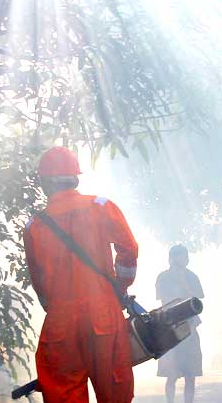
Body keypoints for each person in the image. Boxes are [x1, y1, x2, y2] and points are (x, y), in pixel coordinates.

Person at [23, 146, 139, 403]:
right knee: (115, 392)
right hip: (103, 314)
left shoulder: (35, 226)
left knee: (64, 394)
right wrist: (120, 286)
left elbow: (39, 281)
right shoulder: (101, 207)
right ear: (75, 177)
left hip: (61, 322)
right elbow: (129, 250)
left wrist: (56, 309)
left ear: (45, 182)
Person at [155, 244, 204, 403]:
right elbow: (164, 301)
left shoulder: (191, 277)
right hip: (171, 330)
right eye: (178, 257)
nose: (183, 260)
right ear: (171, 259)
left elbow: (198, 300)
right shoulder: (163, 277)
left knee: (190, 375)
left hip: (189, 328)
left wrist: (184, 282)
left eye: (184, 256)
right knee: (172, 374)